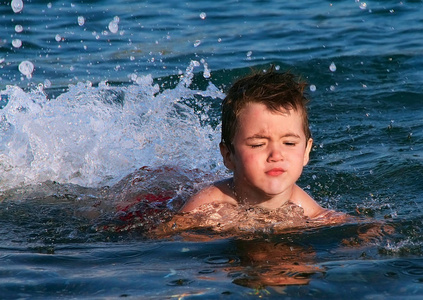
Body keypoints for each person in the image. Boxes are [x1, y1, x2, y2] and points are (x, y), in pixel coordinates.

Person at [180, 67, 328, 219]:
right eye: (258, 144)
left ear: (306, 151)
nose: (276, 155)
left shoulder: (313, 214)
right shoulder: (205, 209)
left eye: (289, 143)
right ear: (228, 155)